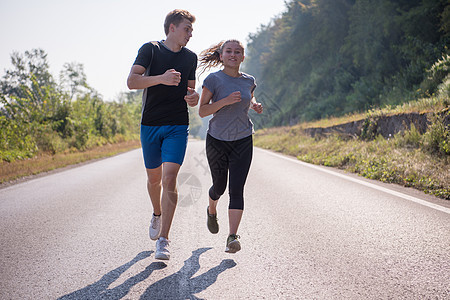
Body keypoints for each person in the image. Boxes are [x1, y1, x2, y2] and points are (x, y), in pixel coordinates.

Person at [127, 9, 199, 260]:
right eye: (186, 29)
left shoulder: (191, 58)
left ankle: (164, 239)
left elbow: (191, 93)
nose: (190, 34)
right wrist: (162, 78)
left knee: (169, 179)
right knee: (154, 179)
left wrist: (194, 97)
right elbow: (132, 81)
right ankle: (156, 213)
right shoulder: (151, 49)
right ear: (172, 28)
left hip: (177, 125)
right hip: (150, 124)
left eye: (191, 30)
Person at [197, 39, 263, 253]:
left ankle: (232, 237)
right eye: (229, 51)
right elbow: (203, 111)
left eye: (237, 52)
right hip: (217, 140)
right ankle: (212, 209)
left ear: (243, 57)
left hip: (243, 139)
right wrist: (224, 101)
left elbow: (249, 96)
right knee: (219, 187)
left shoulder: (249, 80)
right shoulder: (213, 80)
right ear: (222, 56)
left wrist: (254, 105)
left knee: (237, 189)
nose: (233, 55)